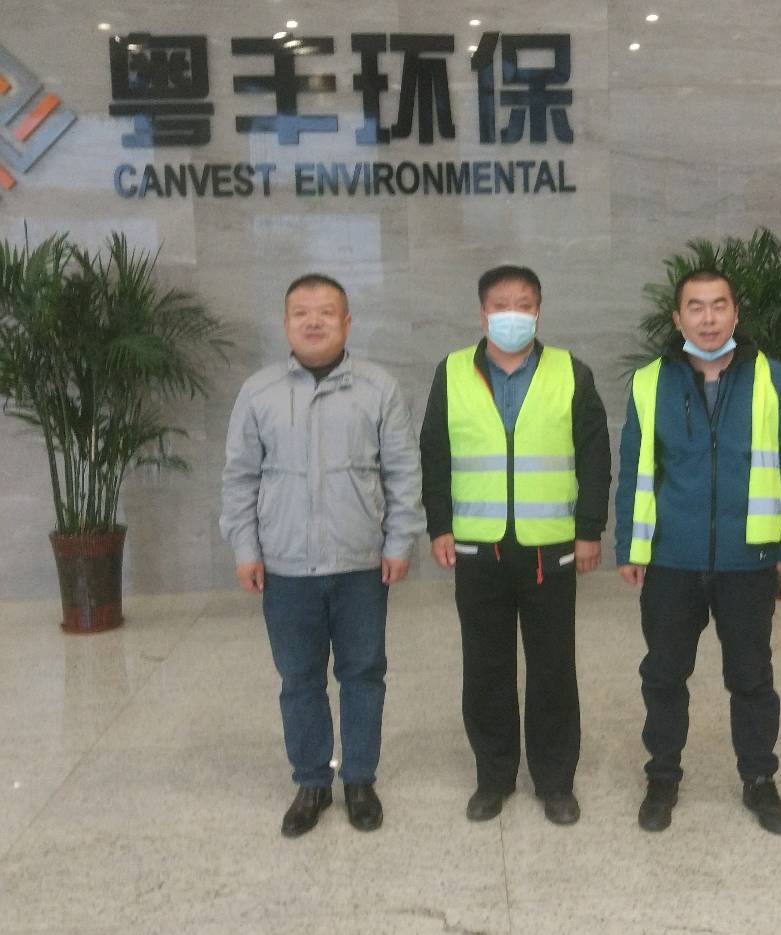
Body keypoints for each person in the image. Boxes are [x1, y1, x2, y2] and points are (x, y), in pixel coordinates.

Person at [220, 274, 424, 838]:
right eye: (302, 313)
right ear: (285, 323)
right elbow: (239, 477)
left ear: (347, 323)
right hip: (285, 567)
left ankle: (359, 779)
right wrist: (245, 548)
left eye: (326, 312)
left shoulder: (378, 389)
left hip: (360, 565)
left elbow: (402, 471)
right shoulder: (258, 392)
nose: (314, 322)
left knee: (363, 674)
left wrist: (399, 541)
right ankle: (311, 781)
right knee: (299, 677)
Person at [615, 268, 781, 834]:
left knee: (751, 676)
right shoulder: (650, 382)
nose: (708, 318)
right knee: (664, 674)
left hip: (747, 559)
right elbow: (635, 469)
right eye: (696, 307)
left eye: (719, 305)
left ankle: (759, 779)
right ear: (678, 318)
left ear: (735, 313)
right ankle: (662, 777)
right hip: (671, 559)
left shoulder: (771, 378)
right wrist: (630, 545)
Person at [420, 265, 611, 826]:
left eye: (524, 304)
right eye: (501, 305)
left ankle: (555, 781)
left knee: (553, 669)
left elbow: (595, 456)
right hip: (478, 548)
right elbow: (434, 453)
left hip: (550, 548)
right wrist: (439, 525)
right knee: (485, 667)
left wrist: (589, 529)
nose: (512, 314)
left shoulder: (571, 372)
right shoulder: (452, 372)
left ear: (538, 312)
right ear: (483, 314)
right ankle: (494, 776)